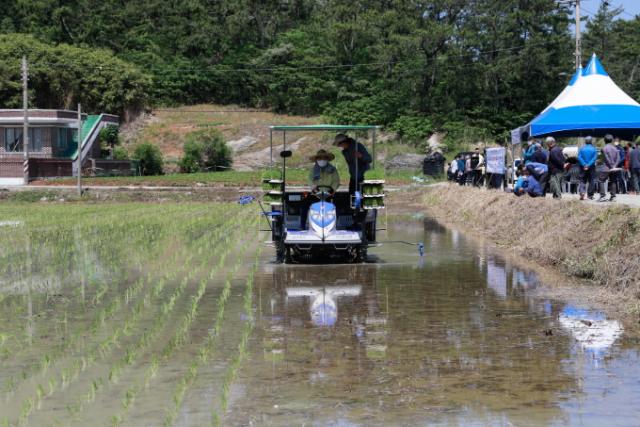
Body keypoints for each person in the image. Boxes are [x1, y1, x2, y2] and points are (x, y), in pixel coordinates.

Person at [301, 149, 340, 228]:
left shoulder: (333, 169)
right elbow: (310, 181)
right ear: (316, 160)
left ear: (327, 159)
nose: (322, 160)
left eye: (324, 158)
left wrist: (332, 190)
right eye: (320, 158)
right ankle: (302, 226)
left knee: (338, 204)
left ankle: (336, 226)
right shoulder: (313, 170)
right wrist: (315, 190)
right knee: (304, 204)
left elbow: (336, 181)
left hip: (329, 194)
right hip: (316, 194)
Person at [600, 134, 620, 202]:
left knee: (601, 180)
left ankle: (603, 196)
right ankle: (613, 197)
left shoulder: (604, 148)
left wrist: (611, 166)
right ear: (611, 140)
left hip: (606, 167)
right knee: (613, 181)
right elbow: (618, 158)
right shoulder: (615, 148)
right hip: (614, 167)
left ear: (604, 140)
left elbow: (606, 158)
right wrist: (615, 166)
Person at [577, 136, 597, 200]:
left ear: (585, 141)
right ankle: (590, 195)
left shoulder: (582, 149)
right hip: (591, 167)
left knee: (582, 180)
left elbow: (579, 157)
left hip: (582, 167)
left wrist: (584, 164)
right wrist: (588, 165)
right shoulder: (594, 149)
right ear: (591, 141)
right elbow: (594, 158)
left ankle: (582, 192)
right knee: (591, 180)